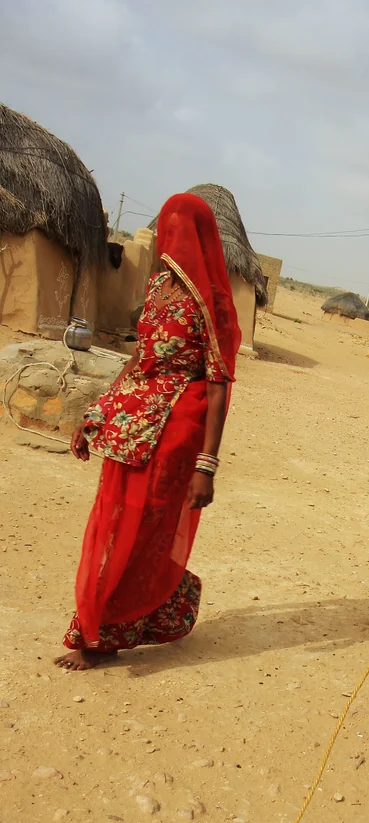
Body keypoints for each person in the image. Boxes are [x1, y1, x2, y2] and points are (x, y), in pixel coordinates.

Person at [55, 193, 241, 671]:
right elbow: (140, 359)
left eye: (174, 227)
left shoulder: (214, 302)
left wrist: (207, 465)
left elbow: (219, 383)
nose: (165, 236)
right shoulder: (158, 287)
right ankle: (135, 611)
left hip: (179, 428)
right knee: (115, 521)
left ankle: (106, 633)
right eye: (164, 226)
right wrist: (96, 415)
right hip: (132, 425)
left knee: (146, 526)